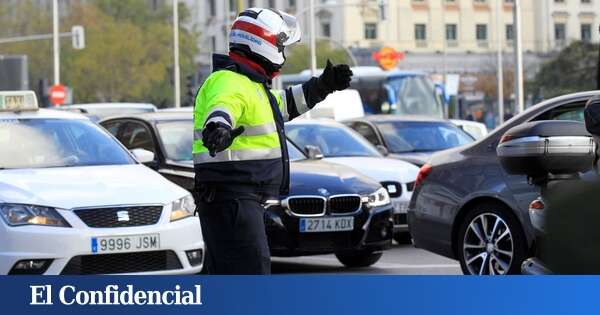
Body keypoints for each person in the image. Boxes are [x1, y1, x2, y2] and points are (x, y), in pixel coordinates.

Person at [192, 7, 353, 275]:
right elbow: (222, 108)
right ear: (262, 42)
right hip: (232, 197)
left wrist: (323, 85)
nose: (283, 52)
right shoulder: (229, 81)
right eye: (280, 44)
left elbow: (284, 105)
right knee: (250, 274)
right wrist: (217, 128)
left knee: (227, 276)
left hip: (237, 198)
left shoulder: (251, 85)